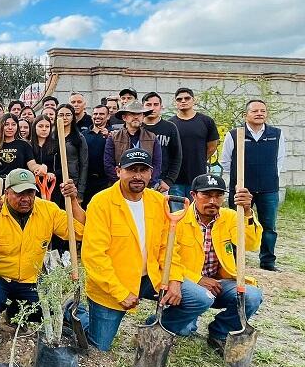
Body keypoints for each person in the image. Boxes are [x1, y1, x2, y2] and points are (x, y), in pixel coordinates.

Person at [76, 149, 212, 351]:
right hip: (113, 284)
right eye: (131, 170)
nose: (138, 176)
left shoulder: (158, 202)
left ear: (151, 173)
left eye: (143, 170)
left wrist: (174, 279)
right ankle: (78, 314)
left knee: (201, 298)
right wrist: (120, 293)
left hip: (151, 276)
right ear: (118, 171)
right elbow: (94, 256)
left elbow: (168, 246)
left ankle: (153, 327)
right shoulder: (101, 203)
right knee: (98, 346)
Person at [0, 168, 85, 329]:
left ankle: (14, 314)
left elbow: (79, 232)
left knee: (47, 310)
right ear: (6, 192)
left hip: (27, 280)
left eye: (30, 193)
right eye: (19, 194)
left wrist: (73, 200)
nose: (25, 199)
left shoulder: (48, 210)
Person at [176, 174, 263, 354]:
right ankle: (168, 319)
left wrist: (246, 212)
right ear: (193, 195)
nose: (213, 201)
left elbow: (251, 244)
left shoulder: (231, 217)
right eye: (206, 195)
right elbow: (167, 261)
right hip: (188, 284)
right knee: (184, 331)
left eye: (218, 195)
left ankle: (219, 331)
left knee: (252, 296)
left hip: (221, 284)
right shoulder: (178, 220)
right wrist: (198, 279)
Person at [220, 99, 285, 272]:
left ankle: (267, 261)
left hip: (268, 189)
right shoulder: (234, 134)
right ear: (246, 114)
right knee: (236, 223)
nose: (259, 113)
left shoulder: (276, 134)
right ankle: (232, 261)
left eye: (262, 111)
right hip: (241, 189)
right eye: (255, 111)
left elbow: (279, 161)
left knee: (269, 226)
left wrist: (266, 176)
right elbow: (225, 161)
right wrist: (238, 179)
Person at [170, 87, 220, 198]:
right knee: (176, 214)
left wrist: (199, 159)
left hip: (198, 178)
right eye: (179, 99)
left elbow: (212, 147)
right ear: (175, 102)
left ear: (194, 100)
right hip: (175, 180)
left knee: (196, 212)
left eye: (187, 98)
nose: (183, 101)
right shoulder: (170, 124)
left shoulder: (206, 121)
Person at [103, 100, 161, 188]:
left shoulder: (152, 138)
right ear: (124, 117)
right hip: (120, 187)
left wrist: (146, 182)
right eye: (132, 114)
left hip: (145, 186)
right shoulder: (113, 137)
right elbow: (108, 164)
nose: (136, 117)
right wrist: (122, 183)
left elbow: (157, 164)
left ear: (143, 117)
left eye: (139, 114)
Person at [0, 113, 43, 199]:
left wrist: (40, 168)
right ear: (1, 126)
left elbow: (31, 164)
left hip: (18, 185)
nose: (10, 127)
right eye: (6, 124)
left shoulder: (24, 145)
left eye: (13, 124)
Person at [142, 92, 182, 193]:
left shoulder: (170, 127)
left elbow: (177, 156)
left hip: (161, 183)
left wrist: (169, 181)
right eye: (148, 105)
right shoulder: (136, 127)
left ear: (161, 107)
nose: (152, 108)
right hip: (137, 180)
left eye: (156, 105)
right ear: (142, 107)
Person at [49, 104, 88, 206]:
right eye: (61, 115)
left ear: (73, 117)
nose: (64, 118)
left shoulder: (79, 137)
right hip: (53, 182)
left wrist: (80, 191)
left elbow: (84, 164)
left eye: (68, 115)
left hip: (71, 182)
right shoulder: (51, 136)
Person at [83, 105, 110, 206]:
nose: (98, 116)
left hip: (105, 181)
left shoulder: (113, 135)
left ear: (108, 117)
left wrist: (109, 137)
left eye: (102, 114)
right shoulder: (83, 135)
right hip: (86, 182)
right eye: (95, 114)